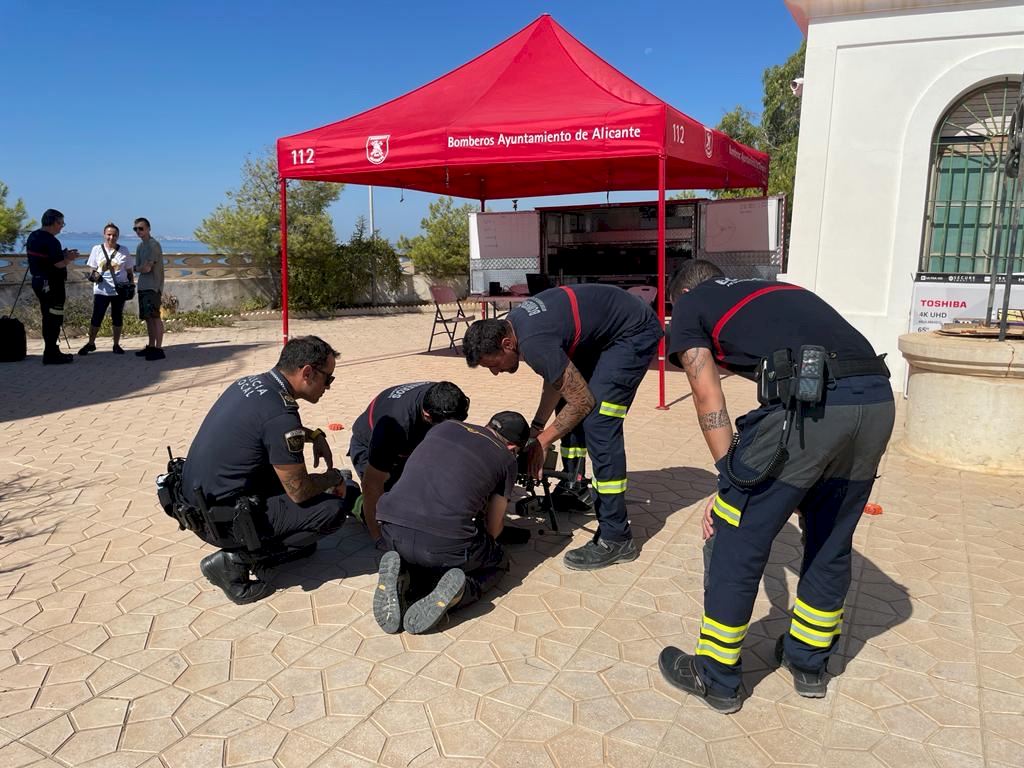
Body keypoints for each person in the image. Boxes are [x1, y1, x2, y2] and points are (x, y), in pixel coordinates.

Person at [656, 261, 895, 713]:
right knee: (830, 538)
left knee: (734, 533)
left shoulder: (691, 303)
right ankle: (808, 662)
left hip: (815, 407)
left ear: (680, 295)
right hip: (877, 403)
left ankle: (715, 675)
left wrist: (730, 480)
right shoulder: (776, 290)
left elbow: (707, 393)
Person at [462, 284, 663, 571]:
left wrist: (542, 442)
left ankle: (617, 537)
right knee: (566, 407)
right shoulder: (516, 326)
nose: (495, 372)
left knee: (599, 422)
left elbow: (582, 401)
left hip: (632, 331)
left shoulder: (533, 342)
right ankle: (574, 488)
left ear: (506, 344)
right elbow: (557, 380)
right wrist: (538, 428)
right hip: (605, 331)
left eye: (492, 364)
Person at [181, 336, 357, 604]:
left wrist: (314, 435)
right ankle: (233, 561)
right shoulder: (281, 415)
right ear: (307, 372)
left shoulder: (251, 384)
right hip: (222, 522)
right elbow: (299, 491)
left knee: (303, 515)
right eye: (328, 378)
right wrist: (333, 478)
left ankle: (281, 545)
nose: (328, 387)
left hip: (199, 503)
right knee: (333, 508)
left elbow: (263, 430)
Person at [372, 411, 528, 634]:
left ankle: (405, 577)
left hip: (390, 528)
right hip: (442, 544)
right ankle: (460, 594)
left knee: (424, 552)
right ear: (513, 447)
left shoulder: (445, 427)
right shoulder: (506, 458)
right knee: (498, 561)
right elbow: (493, 529)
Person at [347, 381, 470, 547]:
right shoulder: (392, 427)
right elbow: (372, 485)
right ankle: (347, 493)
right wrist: (379, 538)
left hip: (407, 446)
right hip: (369, 446)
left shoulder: (445, 398)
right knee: (391, 511)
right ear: (427, 416)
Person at [25, 209, 78, 364]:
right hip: (51, 284)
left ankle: (51, 350)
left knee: (47, 317)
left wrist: (61, 254)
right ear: (54, 222)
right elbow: (58, 264)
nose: (62, 227)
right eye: (61, 223)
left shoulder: (33, 236)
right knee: (54, 317)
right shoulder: (51, 240)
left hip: (38, 281)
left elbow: (44, 258)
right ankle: (50, 353)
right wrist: (69, 258)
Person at [79, 223, 134, 355]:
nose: (111, 237)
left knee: (117, 317)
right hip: (101, 290)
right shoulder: (97, 249)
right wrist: (95, 276)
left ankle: (116, 344)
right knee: (96, 317)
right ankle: (91, 343)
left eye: (114, 235)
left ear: (118, 236)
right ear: (104, 235)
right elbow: (92, 268)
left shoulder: (124, 250)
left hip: (119, 290)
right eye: (109, 234)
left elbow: (129, 271)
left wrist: (131, 286)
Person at [133, 217, 165, 361]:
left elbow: (146, 268)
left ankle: (159, 348)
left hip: (153, 286)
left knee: (155, 317)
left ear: (148, 229)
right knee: (148, 318)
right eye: (136, 229)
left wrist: (136, 268)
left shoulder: (153, 245)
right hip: (143, 286)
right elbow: (141, 267)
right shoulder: (140, 246)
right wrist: (138, 268)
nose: (138, 231)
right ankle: (151, 346)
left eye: (141, 228)